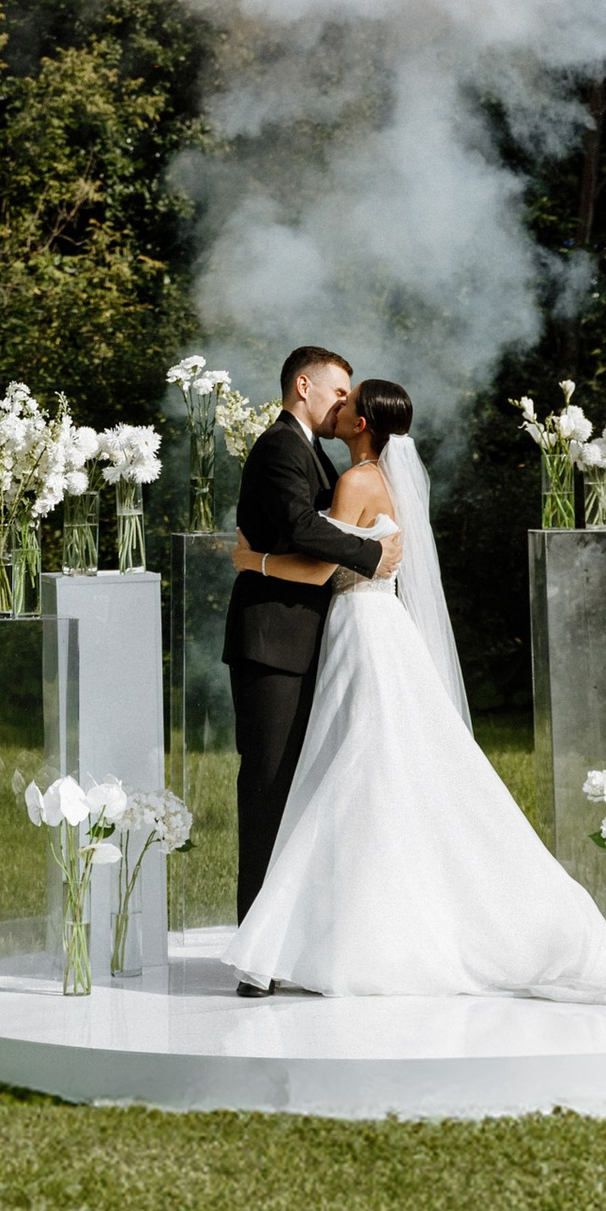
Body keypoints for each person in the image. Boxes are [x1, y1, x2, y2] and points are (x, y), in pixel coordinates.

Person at [231, 375, 606, 1009]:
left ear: (360, 424)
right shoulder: (378, 479)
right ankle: (351, 930)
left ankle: (345, 937)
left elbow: (325, 565)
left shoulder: (354, 482)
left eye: (349, 401)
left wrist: (250, 562)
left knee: (360, 773)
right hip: (378, 629)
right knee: (373, 772)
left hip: (361, 629)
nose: (340, 405)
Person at [223, 346, 401, 927]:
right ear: (304, 386)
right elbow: (302, 528)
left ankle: (291, 936)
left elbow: (309, 540)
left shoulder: (322, 458)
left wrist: (254, 561)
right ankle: (256, 951)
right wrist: (372, 552)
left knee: (304, 794)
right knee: (268, 790)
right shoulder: (279, 446)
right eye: (338, 392)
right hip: (272, 645)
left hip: (314, 643)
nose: (344, 404)